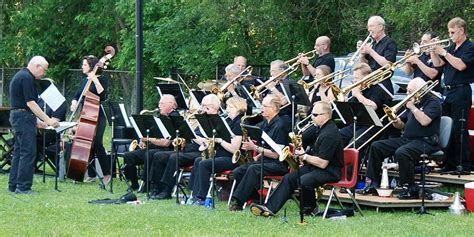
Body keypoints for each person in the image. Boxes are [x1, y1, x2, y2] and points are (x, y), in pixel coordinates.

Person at [250, 101, 343, 217]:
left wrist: (304, 156)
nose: (311, 117)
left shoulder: (330, 134)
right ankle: (269, 209)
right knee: (289, 178)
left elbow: (323, 163)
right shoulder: (319, 128)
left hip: (330, 171)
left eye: (314, 115)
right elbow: (301, 137)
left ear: (326, 115)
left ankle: (310, 209)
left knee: (305, 180)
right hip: (315, 167)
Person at [357, 78, 441, 199]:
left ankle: (408, 187)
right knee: (377, 146)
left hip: (426, 140)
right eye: (407, 91)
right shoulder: (413, 102)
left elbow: (425, 121)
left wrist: (413, 107)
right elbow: (402, 125)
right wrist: (395, 121)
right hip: (409, 139)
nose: (408, 94)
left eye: (410, 91)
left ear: (420, 90)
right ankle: (372, 184)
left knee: (402, 152)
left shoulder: (433, 102)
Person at [149, 94, 221, 200]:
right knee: (159, 155)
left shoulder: (217, 121)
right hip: (190, 148)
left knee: (174, 158)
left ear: (211, 107)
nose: (201, 109)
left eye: (203, 106)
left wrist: (191, 135)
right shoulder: (203, 119)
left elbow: (209, 142)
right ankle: (156, 188)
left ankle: (166, 190)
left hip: (200, 152)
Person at [8, 56, 60, 194]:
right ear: (37, 66)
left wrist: (38, 121)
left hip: (19, 116)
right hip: (23, 118)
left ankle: (13, 185)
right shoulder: (27, 78)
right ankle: (23, 187)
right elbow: (31, 103)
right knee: (28, 152)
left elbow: (21, 104)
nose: (44, 74)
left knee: (19, 152)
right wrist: (48, 120)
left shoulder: (21, 75)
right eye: (44, 70)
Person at [228, 94, 289, 211]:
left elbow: (276, 154)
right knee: (238, 171)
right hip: (264, 161)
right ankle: (256, 198)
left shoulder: (280, 126)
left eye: (265, 106)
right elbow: (266, 146)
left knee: (252, 169)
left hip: (278, 164)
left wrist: (255, 148)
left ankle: (238, 202)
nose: (262, 109)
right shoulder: (264, 124)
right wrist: (257, 154)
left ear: (274, 108)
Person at [431, 17, 474, 174]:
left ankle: (463, 165)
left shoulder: (469, 47)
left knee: (459, 128)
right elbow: (438, 65)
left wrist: (443, 52)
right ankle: (449, 163)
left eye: (453, 32)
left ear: (461, 31)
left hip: (461, 91)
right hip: (448, 92)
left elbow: (461, 65)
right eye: (449, 32)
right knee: (447, 128)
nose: (450, 35)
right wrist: (433, 50)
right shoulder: (452, 48)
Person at [187, 96, 246, 205]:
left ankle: (201, 197)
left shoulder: (238, 123)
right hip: (221, 155)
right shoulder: (229, 121)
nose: (227, 109)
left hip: (232, 159)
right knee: (198, 160)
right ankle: (194, 195)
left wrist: (219, 140)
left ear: (237, 107)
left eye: (229, 107)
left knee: (204, 164)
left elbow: (234, 149)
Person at [122, 94, 179, 192]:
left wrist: (148, 140)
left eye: (162, 103)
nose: (159, 106)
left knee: (150, 154)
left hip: (165, 149)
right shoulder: (159, 117)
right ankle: (134, 184)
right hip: (153, 147)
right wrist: (143, 141)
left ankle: (147, 185)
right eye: (159, 103)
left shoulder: (174, 118)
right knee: (128, 156)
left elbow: (166, 143)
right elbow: (152, 134)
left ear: (171, 105)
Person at [70, 55, 110, 184]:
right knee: (86, 144)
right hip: (85, 114)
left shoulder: (102, 79)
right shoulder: (84, 81)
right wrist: (74, 102)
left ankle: (107, 174)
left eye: (84, 65)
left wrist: (95, 80)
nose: (82, 67)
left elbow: (102, 95)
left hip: (98, 114)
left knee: (97, 143)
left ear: (92, 67)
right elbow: (77, 95)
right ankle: (90, 173)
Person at [339, 63, 390, 148]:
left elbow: (372, 107)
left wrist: (358, 95)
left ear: (367, 77)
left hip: (372, 126)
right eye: (354, 78)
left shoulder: (377, 89)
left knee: (353, 144)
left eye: (357, 78)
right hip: (356, 124)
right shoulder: (356, 88)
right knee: (336, 138)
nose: (354, 81)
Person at [359, 15, 397, 97]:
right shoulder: (373, 44)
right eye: (368, 27)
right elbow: (365, 66)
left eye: (371, 26)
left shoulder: (390, 42)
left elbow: (388, 65)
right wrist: (362, 55)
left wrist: (370, 51)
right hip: (370, 82)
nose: (369, 29)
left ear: (380, 27)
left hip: (382, 85)